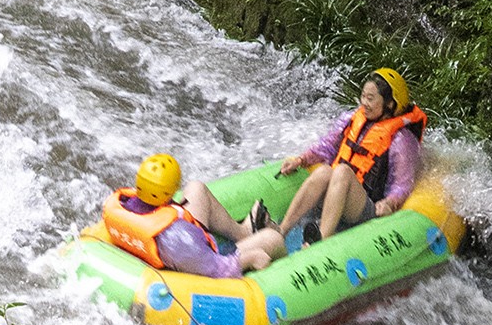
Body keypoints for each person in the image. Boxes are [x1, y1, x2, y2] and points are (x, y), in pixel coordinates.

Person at [277, 69, 428, 247]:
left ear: (390, 103)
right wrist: (301, 160)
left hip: (365, 207)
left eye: (370, 98)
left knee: (342, 171)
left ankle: (321, 241)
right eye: (363, 96)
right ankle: (281, 231)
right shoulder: (351, 119)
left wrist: (390, 202)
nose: (364, 103)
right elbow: (326, 146)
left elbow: (402, 185)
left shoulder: (401, 140)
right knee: (324, 171)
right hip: (337, 193)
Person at [97, 151, 287, 281]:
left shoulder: (124, 203)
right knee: (273, 238)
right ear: (171, 190)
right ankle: (291, 262)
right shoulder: (178, 237)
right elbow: (215, 269)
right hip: (187, 264)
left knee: (197, 188)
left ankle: (244, 232)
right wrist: (250, 258)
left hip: (171, 247)